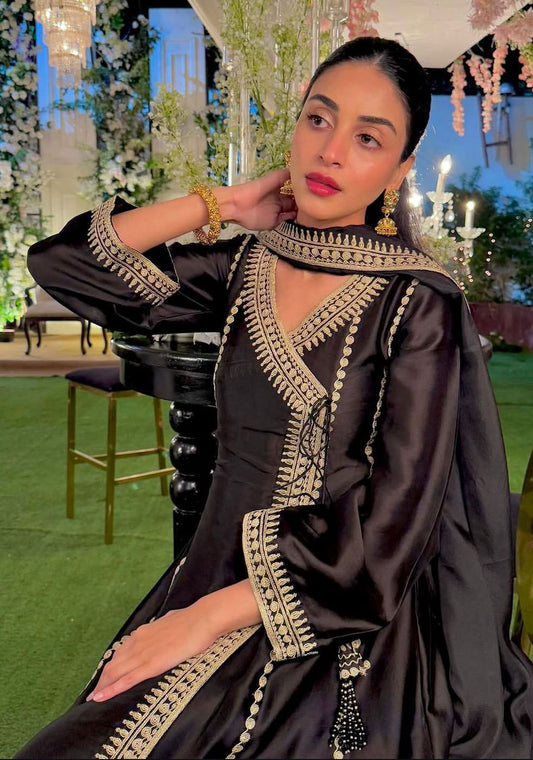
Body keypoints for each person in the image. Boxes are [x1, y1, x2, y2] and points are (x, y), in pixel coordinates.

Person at [15, 36, 533, 760]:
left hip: (338, 614)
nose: (330, 151)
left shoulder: (417, 302)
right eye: (318, 119)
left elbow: (391, 532)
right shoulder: (246, 266)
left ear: (399, 169)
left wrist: (208, 619)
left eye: (367, 138)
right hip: (208, 573)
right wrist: (222, 203)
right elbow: (64, 266)